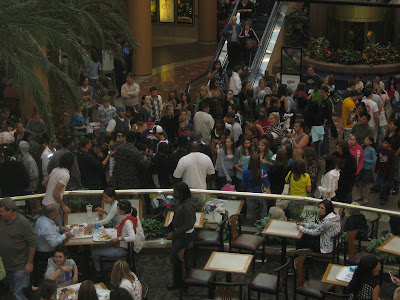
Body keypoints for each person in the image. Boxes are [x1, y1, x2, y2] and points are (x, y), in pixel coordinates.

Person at [0, 198, 37, 300]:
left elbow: (33, 243)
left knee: (19, 294)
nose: (0, 213)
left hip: (20, 266)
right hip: (6, 266)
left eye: (2, 211)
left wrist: (30, 263)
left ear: (10, 211)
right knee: (12, 291)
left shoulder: (23, 223)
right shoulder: (2, 220)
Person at [91, 200, 137, 272]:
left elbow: (132, 237)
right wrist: (119, 226)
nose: (117, 209)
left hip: (121, 249)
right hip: (120, 245)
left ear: (122, 211)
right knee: (98, 245)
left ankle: (98, 272)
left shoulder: (127, 221)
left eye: (118, 208)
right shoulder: (127, 218)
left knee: (94, 251)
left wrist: (118, 238)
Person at [166, 183, 197, 290]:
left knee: (174, 258)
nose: (173, 194)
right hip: (180, 234)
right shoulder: (182, 202)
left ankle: (179, 282)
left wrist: (174, 234)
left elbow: (189, 224)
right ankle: (183, 273)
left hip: (184, 236)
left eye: (175, 192)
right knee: (177, 258)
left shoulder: (187, 207)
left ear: (181, 194)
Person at [34, 205, 72, 277]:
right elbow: (53, 243)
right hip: (46, 254)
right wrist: (65, 235)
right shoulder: (46, 225)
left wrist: (60, 228)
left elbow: (51, 230)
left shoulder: (42, 219)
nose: (58, 216)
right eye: (57, 214)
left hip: (44, 251)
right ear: (52, 216)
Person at [242, 154, 271, 221]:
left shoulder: (245, 172)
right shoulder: (263, 172)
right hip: (261, 195)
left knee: (250, 213)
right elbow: (267, 185)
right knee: (263, 214)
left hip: (249, 194)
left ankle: (250, 227)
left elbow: (244, 185)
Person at [374, 137, 396, 205]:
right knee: (383, 184)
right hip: (381, 171)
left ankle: (386, 193)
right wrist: (376, 169)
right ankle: (383, 197)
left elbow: (393, 164)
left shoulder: (391, 152)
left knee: (389, 184)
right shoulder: (380, 150)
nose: (384, 144)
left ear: (389, 144)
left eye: (386, 143)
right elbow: (378, 160)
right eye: (383, 142)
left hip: (389, 172)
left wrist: (391, 173)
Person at [356, 136, 376, 205]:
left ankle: (366, 198)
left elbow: (373, 160)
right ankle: (361, 195)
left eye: (367, 140)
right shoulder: (362, 147)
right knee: (360, 182)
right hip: (361, 167)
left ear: (371, 142)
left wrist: (364, 160)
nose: (365, 141)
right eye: (365, 139)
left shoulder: (372, 150)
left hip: (367, 168)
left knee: (367, 183)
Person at [385, 119, 400, 196]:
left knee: (395, 172)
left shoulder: (398, 135)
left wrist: (395, 156)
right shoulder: (387, 133)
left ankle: (395, 187)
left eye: (391, 124)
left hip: (394, 157)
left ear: (396, 126)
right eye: (389, 124)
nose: (389, 126)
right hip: (386, 155)